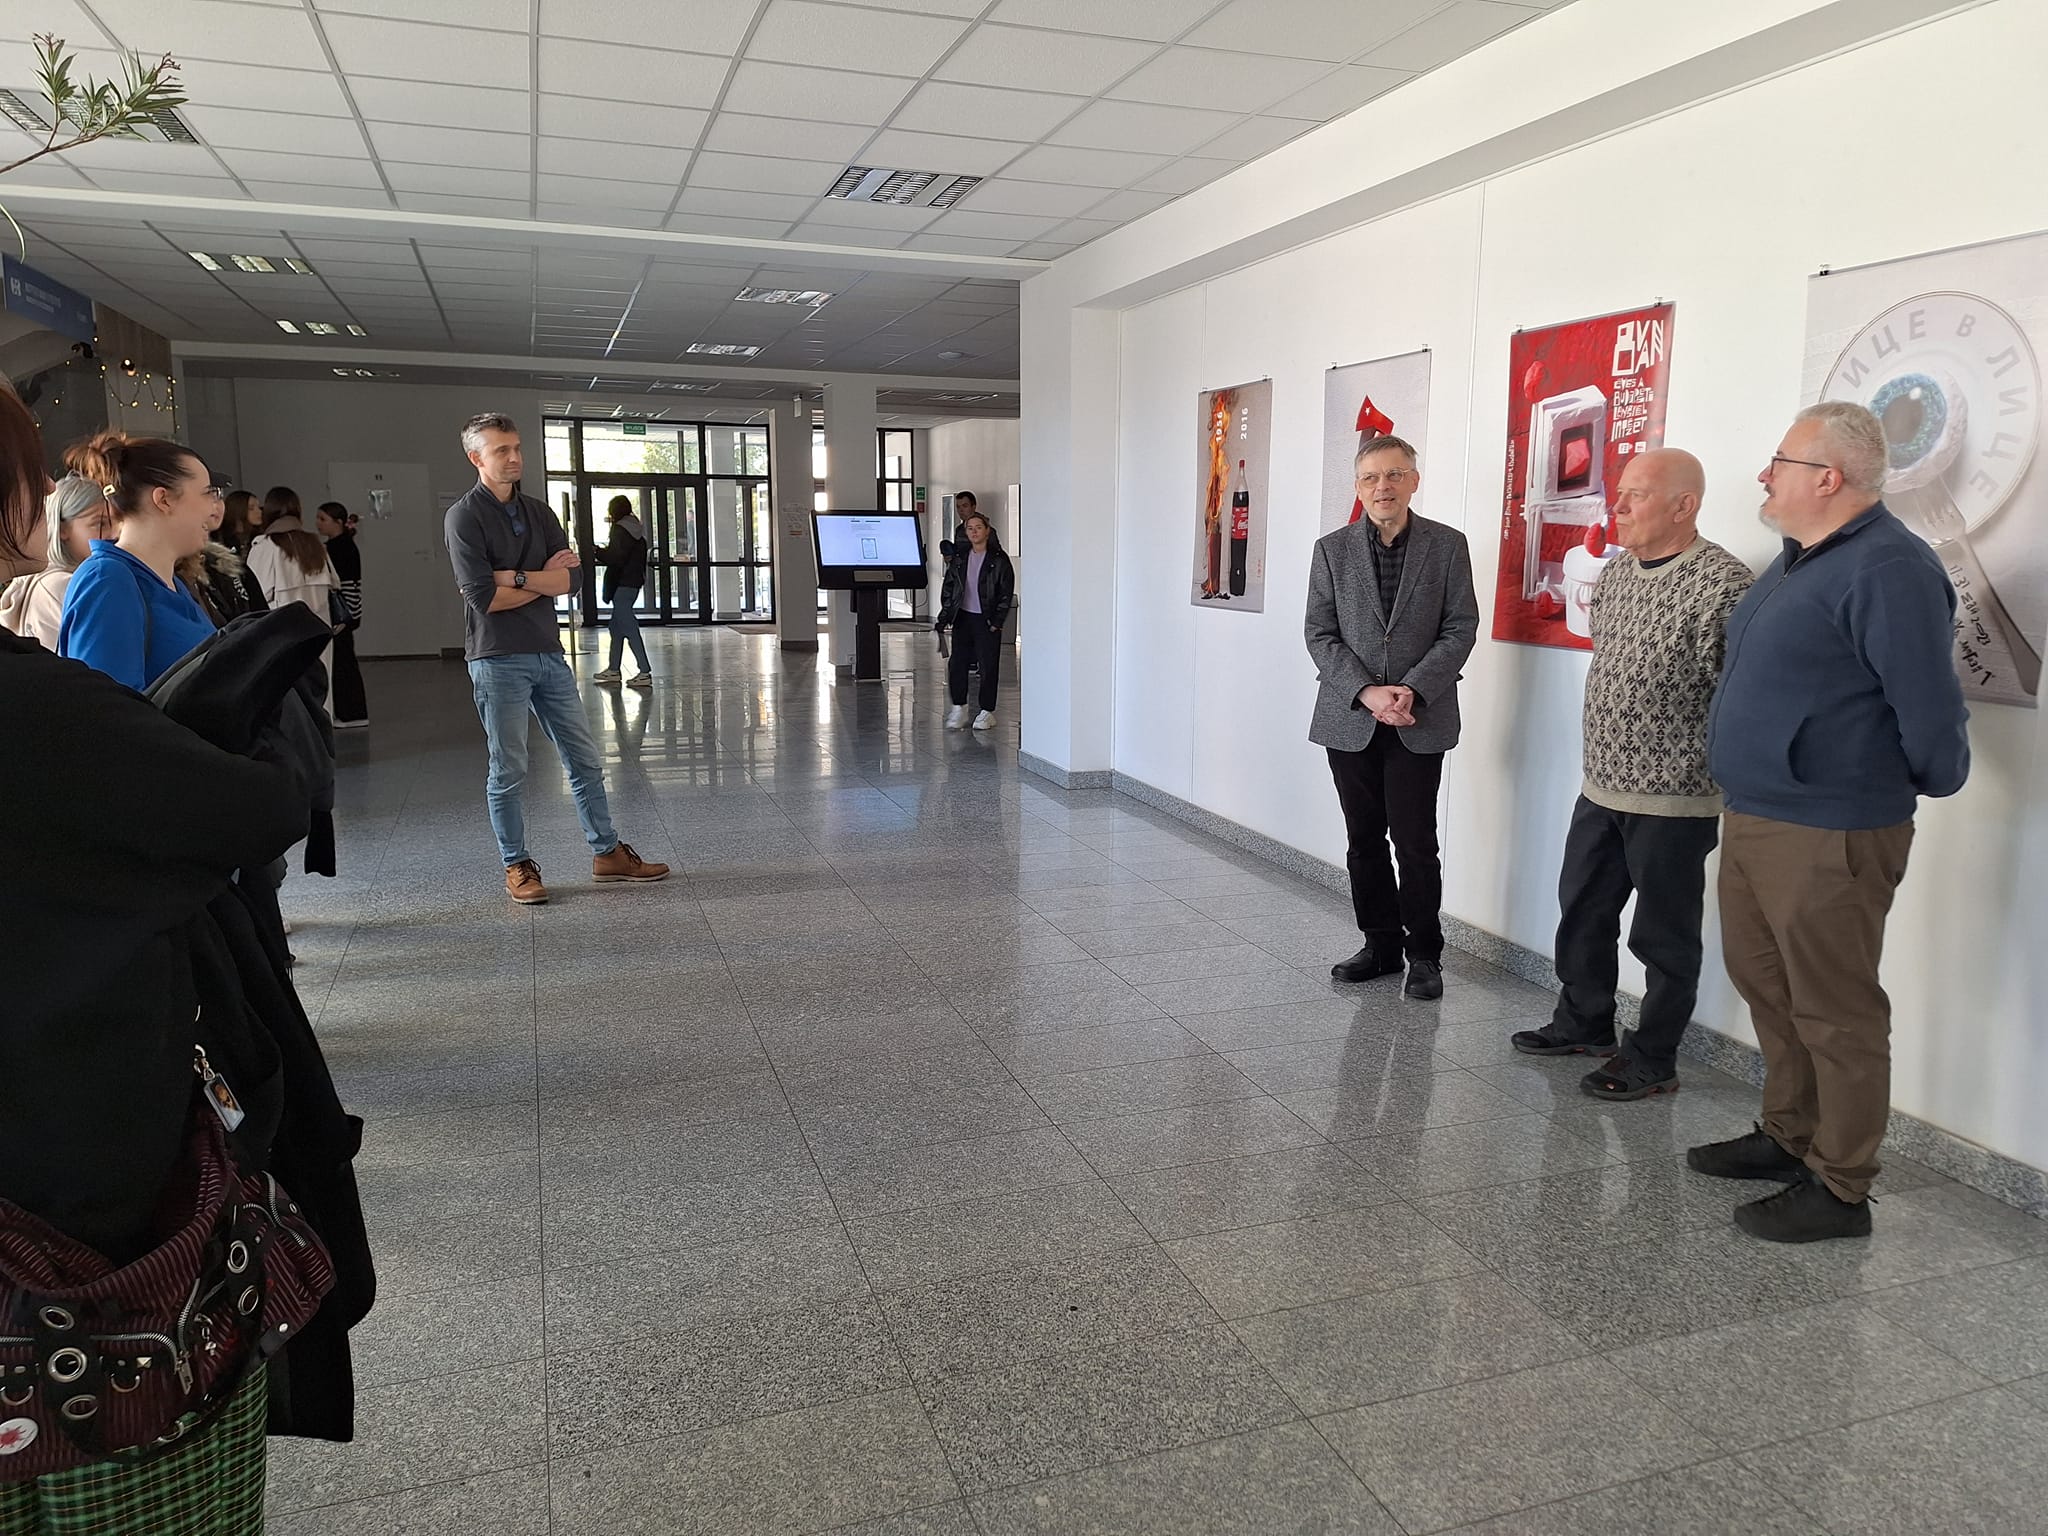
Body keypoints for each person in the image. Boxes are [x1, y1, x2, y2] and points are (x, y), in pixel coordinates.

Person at [0, 387, 328, 1534]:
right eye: (199, 491)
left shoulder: (180, 583)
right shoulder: (88, 611)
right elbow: (128, 740)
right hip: (68, 1145)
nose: (215, 507)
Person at [1688, 401, 1970, 1243]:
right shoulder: (1796, 563)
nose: (1764, 475)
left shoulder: (1890, 568)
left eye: (1779, 462)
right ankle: (1789, 1135)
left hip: (1830, 830)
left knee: (1836, 1010)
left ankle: (1842, 1185)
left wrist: (1876, 790)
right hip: (1757, 815)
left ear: (1827, 478)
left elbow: (1930, 714)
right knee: (1769, 988)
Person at [1509, 450, 1755, 1098]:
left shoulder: (1725, 584)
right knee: (1583, 908)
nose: (1616, 508)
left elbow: (1738, 698)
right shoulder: (1616, 574)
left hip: (1674, 795)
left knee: (1662, 935)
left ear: (1684, 505)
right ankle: (1584, 1021)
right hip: (1601, 784)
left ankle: (1654, 1057)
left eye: (1635, 496)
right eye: (1619, 494)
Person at [445, 412, 668, 905]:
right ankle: (517, 864)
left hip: (548, 654)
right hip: (497, 657)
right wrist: (540, 579)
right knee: (509, 768)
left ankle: (607, 853)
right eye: (502, 450)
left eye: (517, 448)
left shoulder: (539, 512)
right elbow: (483, 598)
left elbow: (573, 580)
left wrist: (516, 577)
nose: (514, 458)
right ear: (476, 458)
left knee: (585, 760)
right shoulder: (464, 517)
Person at [1305, 435, 1479, 1001]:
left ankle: (1424, 954)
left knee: (1415, 840)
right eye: (1372, 477)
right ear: (1358, 487)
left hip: (1418, 717)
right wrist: (1367, 692)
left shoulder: (1447, 546)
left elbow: (1460, 627)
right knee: (1363, 838)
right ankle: (1379, 945)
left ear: (1413, 481)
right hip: (1350, 717)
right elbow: (1319, 633)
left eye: (1395, 474)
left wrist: (1410, 689)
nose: (1384, 486)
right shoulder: (1331, 550)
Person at [57, 433, 221, 690]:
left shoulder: (170, 583)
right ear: (163, 499)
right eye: (208, 493)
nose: (215, 509)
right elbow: (106, 706)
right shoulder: (107, 581)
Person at [0, 466, 116, 647]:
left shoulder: (42, 580)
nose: (113, 534)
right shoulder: (62, 586)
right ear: (62, 529)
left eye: (114, 523)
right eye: (100, 524)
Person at [935, 503, 1014, 731]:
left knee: (988, 665)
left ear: (987, 531)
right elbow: (950, 588)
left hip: (986, 620)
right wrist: (945, 615)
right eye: (970, 528)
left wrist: (997, 621)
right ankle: (959, 707)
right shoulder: (960, 558)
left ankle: (987, 711)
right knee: (957, 663)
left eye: (979, 527)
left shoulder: (998, 559)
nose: (974, 532)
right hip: (963, 618)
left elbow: (1005, 592)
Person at [179, 472, 268, 628]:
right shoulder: (175, 567)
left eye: (219, 495)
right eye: (209, 493)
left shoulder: (224, 560)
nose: (216, 505)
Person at [589, 494, 652, 689]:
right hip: (633, 583)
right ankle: (613, 669)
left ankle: (644, 671)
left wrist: (597, 551)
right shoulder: (637, 530)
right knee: (616, 628)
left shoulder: (619, 530)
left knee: (629, 627)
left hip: (622, 584)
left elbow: (615, 558)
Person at [317, 500, 368, 726]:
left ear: (337, 522)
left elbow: (347, 584)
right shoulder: (339, 545)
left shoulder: (340, 548)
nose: (318, 523)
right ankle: (350, 712)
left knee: (343, 663)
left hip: (342, 614)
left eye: (323, 519)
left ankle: (352, 713)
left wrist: (347, 615)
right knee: (343, 661)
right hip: (346, 612)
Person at [219, 487, 261, 555]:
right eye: (251, 508)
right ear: (238, 510)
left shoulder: (260, 537)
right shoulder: (220, 538)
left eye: (258, 507)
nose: (259, 511)